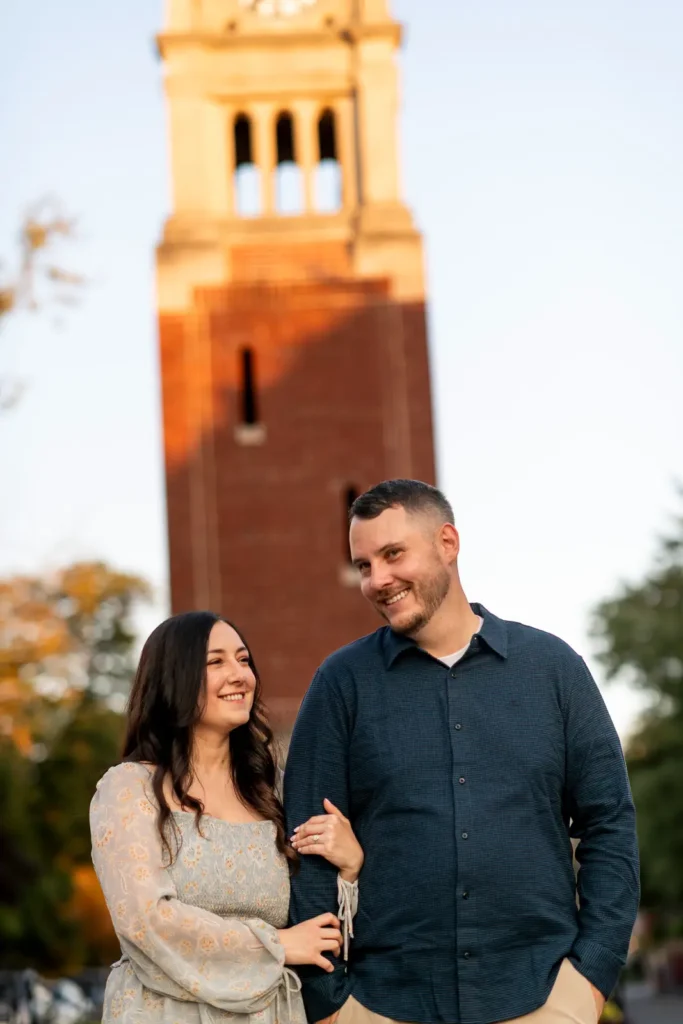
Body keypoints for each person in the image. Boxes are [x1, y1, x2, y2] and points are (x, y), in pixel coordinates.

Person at [284, 479, 640, 1024]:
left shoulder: (553, 670)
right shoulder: (341, 685)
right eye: (363, 566)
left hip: (542, 998)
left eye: (393, 554)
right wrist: (330, 1004)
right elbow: (306, 845)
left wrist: (591, 977)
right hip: (382, 1004)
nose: (378, 579)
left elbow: (609, 824)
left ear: (447, 543)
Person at [90, 611, 364, 1024]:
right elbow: (145, 920)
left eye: (243, 659)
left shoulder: (274, 791)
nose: (240, 675)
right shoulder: (130, 788)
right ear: (173, 678)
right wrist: (276, 945)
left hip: (270, 1013)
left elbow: (320, 925)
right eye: (215, 662)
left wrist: (349, 868)